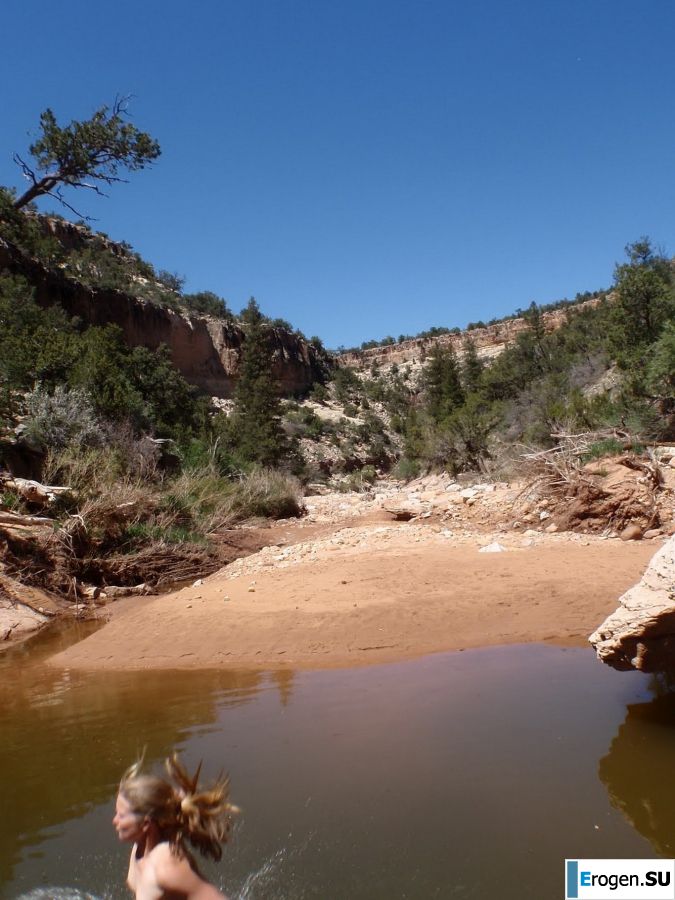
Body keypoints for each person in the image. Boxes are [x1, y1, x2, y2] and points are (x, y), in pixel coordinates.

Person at [113, 754, 239, 899]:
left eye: (121, 816)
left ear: (146, 824)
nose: (114, 821)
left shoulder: (166, 866)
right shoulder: (139, 849)